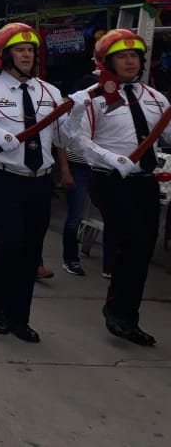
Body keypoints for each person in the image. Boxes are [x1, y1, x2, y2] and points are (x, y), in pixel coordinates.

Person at [0, 22, 71, 343]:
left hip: (39, 181)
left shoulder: (49, 92)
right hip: (2, 179)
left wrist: (78, 113)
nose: (26, 54)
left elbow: (64, 135)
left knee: (31, 250)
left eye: (30, 49)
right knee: (9, 242)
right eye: (19, 49)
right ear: (4, 55)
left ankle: (20, 317)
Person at [69, 29, 170, 346]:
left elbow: (168, 136)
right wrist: (112, 158)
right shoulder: (93, 97)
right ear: (107, 62)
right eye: (122, 56)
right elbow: (78, 140)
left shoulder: (156, 98)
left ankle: (128, 316)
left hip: (145, 182)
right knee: (133, 239)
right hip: (110, 180)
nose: (130, 61)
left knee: (143, 248)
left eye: (135, 56)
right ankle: (117, 314)